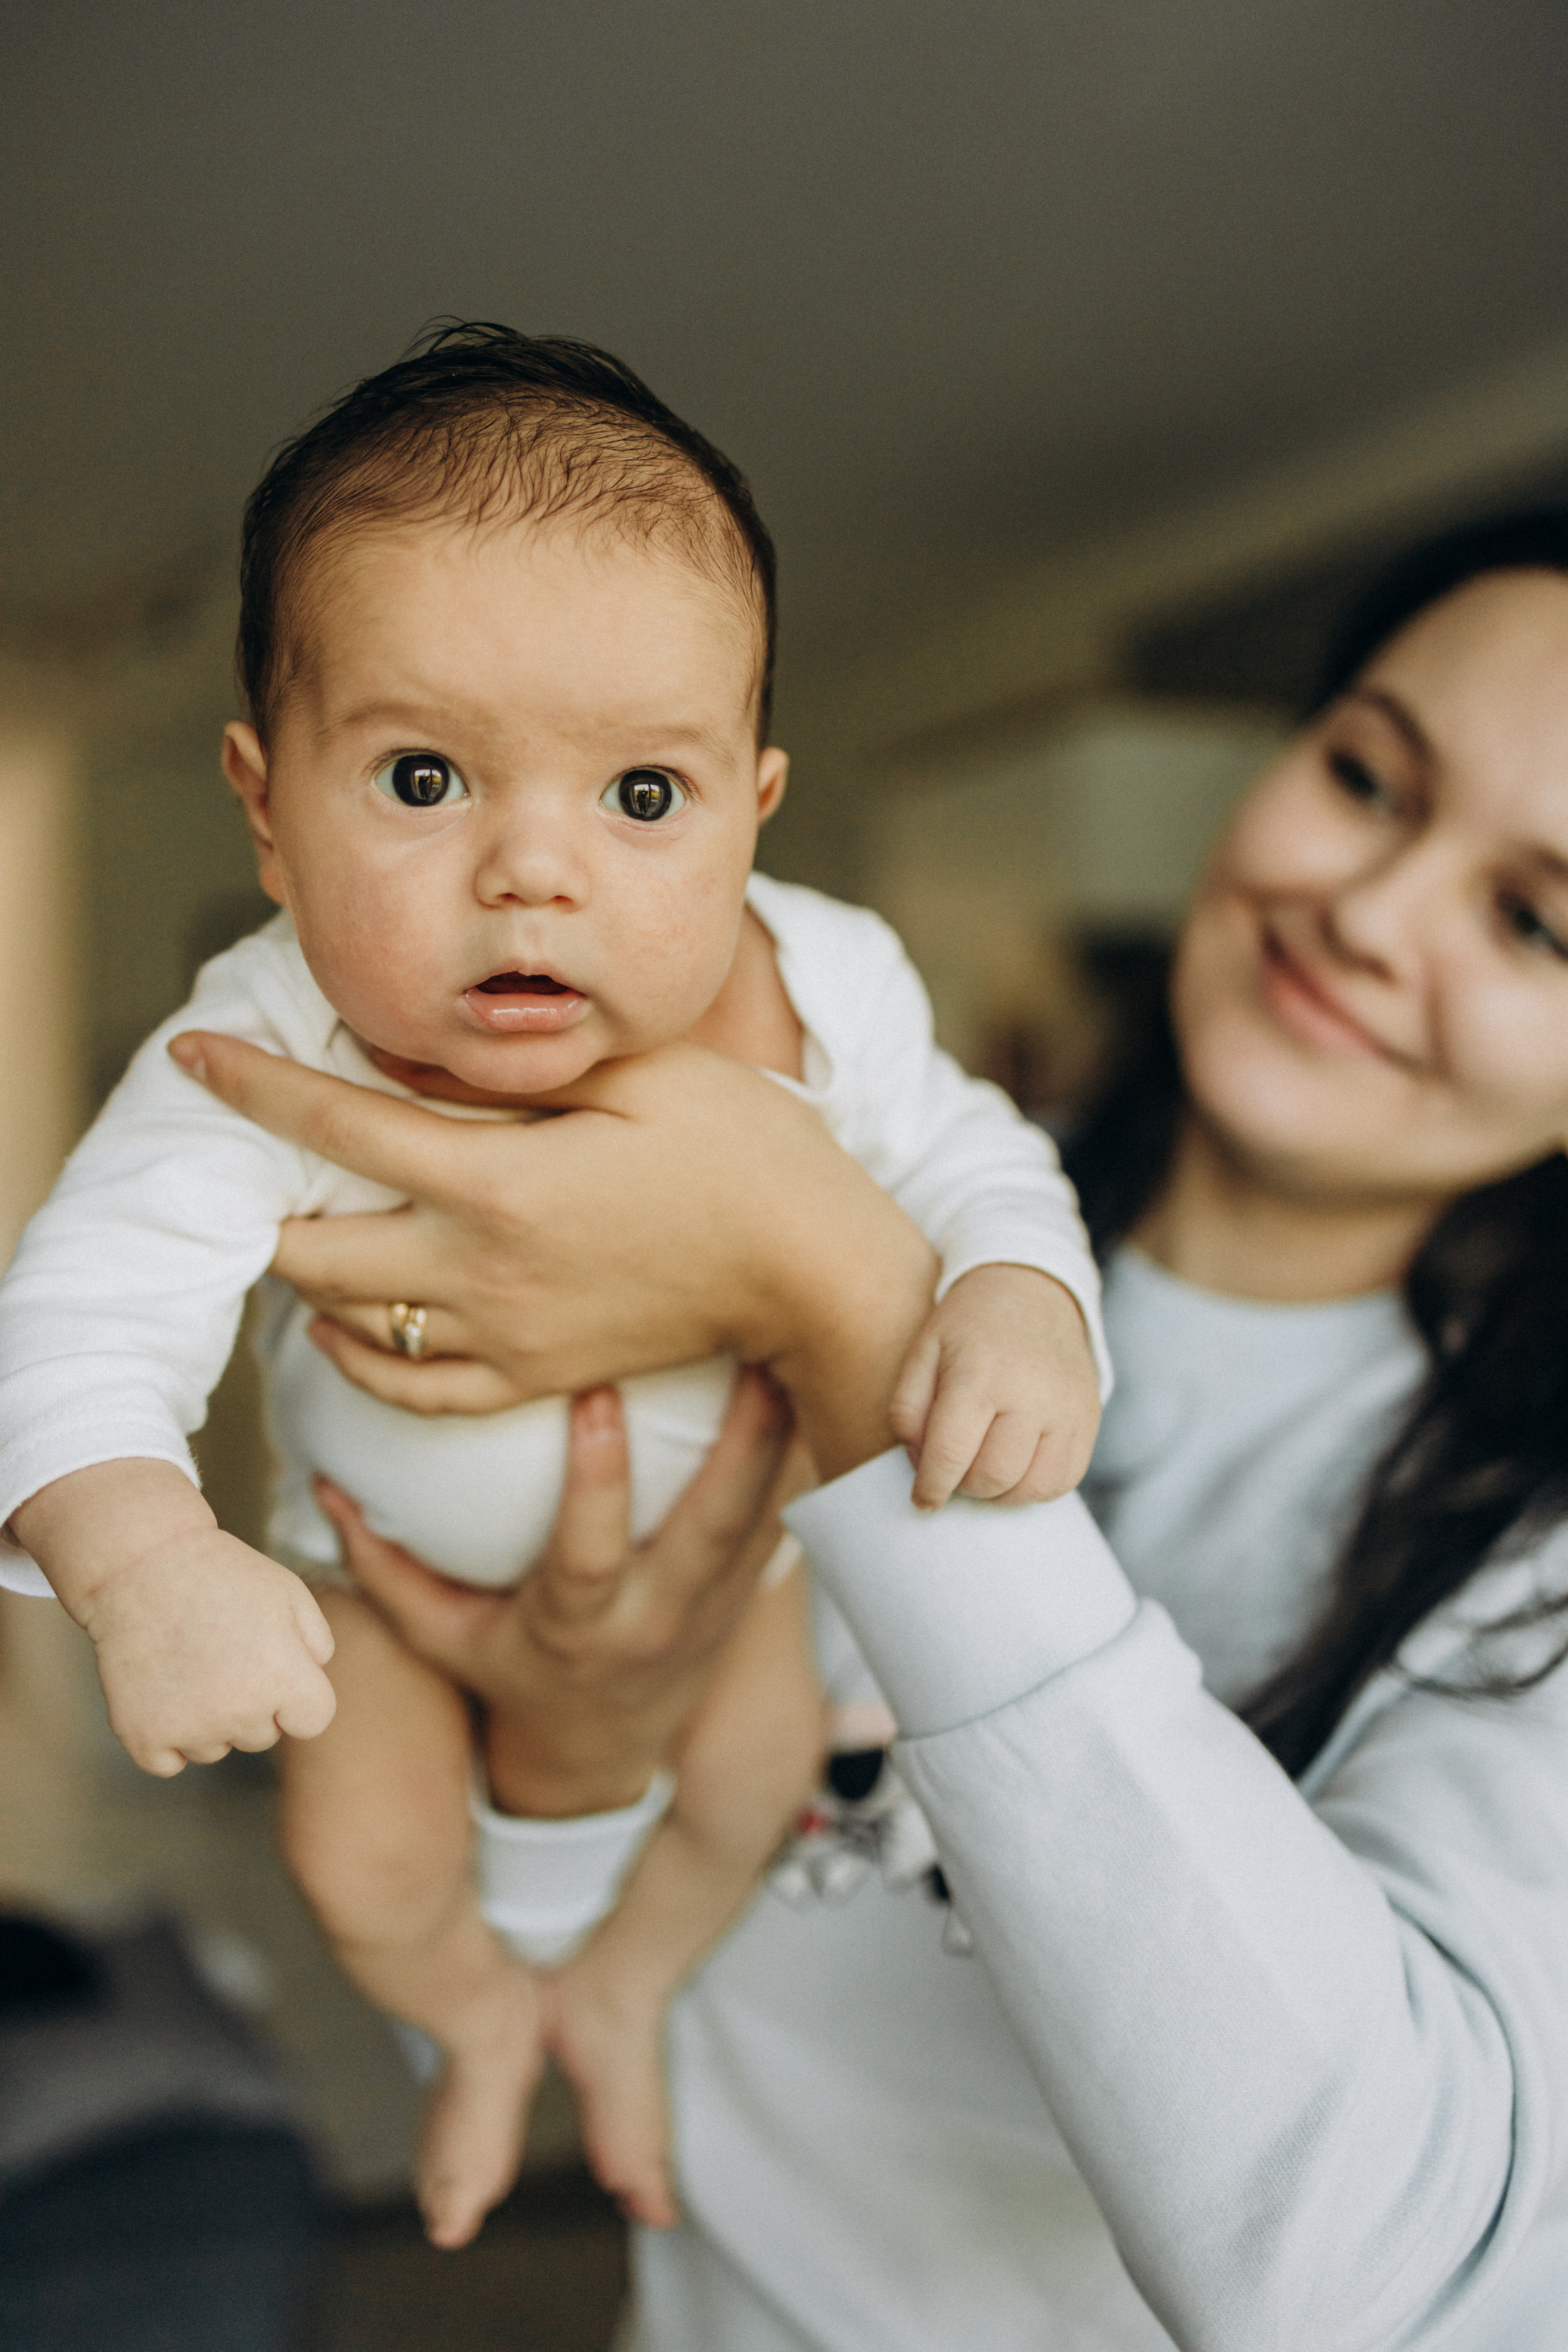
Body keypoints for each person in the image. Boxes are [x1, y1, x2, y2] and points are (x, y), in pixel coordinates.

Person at [168, 510, 1568, 2348]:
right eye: (1371, 778)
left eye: (1535, 916)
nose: (1370, 916)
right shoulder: (825, 1193)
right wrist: (578, 1748)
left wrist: (845, 1304)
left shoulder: (1527, 1572)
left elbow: (1364, 2275)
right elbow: (514, 2004)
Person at [0, 325, 1107, 2250]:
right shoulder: (263, 1040)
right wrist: (146, 1564)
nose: (533, 869)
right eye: (425, 775)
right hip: (385, 1605)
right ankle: (477, 2022)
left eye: (644, 797)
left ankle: (621, 1983)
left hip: (740, 1574)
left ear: (757, 805)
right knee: (359, 1854)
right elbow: (79, 1313)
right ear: (267, 811)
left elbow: (977, 1158)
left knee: (756, 1779)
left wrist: (1018, 1292)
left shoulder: (826, 984)